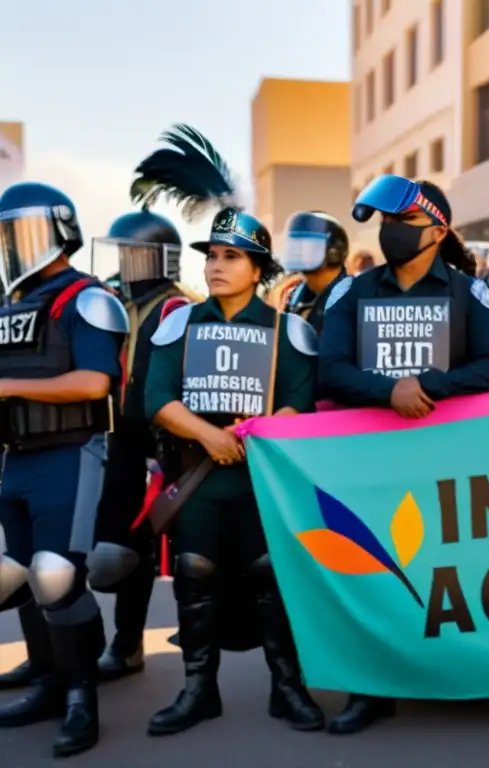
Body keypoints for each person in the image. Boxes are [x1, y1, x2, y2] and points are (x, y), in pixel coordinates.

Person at [130, 124, 324, 736]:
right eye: (211, 256)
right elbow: (154, 398)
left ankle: (286, 688)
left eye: (230, 256)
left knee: (273, 575)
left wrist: (262, 427)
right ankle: (197, 690)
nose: (215, 265)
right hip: (198, 477)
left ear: (258, 267)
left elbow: (302, 406)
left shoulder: (289, 330)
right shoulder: (177, 324)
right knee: (194, 575)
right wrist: (210, 435)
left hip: (263, 481)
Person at [318, 174, 489, 733]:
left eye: (404, 223)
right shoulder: (349, 292)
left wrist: (428, 383)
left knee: (451, 573)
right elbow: (329, 370)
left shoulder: (469, 291)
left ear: (437, 230)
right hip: (368, 460)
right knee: (374, 574)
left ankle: (460, 675)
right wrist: (388, 391)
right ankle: (371, 687)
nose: (392, 233)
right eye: (387, 223)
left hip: (450, 458)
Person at [0, 181, 130, 757]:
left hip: (70, 452)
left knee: (57, 574)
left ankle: (82, 698)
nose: (13, 244)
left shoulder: (89, 298)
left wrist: (6, 386)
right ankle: (49, 682)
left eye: (23, 230)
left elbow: (93, 382)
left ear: (61, 231)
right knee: (22, 573)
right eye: (7, 232)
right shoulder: (11, 305)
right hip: (17, 455)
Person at [84, 208, 202, 683]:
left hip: (167, 442)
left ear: (161, 258)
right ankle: (127, 645)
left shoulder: (178, 307)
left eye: (137, 253)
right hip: (123, 441)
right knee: (122, 550)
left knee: (190, 553)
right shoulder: (114, 301)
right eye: (124, 252)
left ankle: (196, 657)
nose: (127, 261)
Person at [265, 211, 349, 333]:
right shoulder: (294, 292)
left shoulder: (348, 297)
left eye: (306, 245)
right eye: (295, 244)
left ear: (333, 252)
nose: (298, 251)